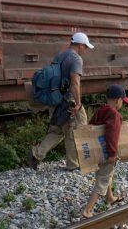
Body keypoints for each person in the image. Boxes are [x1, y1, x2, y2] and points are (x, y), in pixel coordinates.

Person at [28, 32, 93, 171]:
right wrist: (78, 103)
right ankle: (73, 164)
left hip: (56, 98)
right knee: (77, 129)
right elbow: (75, 83)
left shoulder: (60, 55)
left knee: (57, 131)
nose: (85, 50)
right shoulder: (76, 59)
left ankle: (36, 153)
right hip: (68, 100)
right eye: (85, 47)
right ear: (80, 45)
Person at [82, 85, 128, 218]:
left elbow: (90, 127)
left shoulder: (101, 110)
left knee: (107, 173)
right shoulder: (115, 115)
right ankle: (88, 209)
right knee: (103, 179)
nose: (122, 104)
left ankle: (110, 197)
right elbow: (112, 135)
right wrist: (112, 154)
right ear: (117, 100)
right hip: (107, 153)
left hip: (96, 150)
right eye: (122, 101)